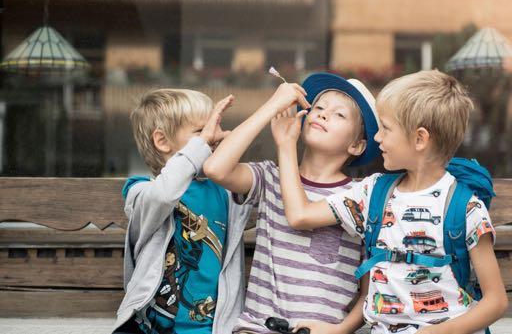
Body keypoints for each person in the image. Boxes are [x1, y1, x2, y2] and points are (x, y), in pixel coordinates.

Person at [276, 70, 508, 334]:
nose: (377, 138)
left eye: (386, 128)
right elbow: (299, 215)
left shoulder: (465, 208)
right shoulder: (373, 193)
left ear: (420, 139)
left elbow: (496, 302)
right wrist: (286, 145)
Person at [204, 72, 381, 334]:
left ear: (357, 145)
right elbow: (215, 168)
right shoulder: (269, 177)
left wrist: (341, 330)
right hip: (255, 329)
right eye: (318, 107)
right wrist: (271, 107)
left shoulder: (360, 195)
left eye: (339, 114)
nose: (322, 114)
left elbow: (370, 290)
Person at [113, 88, 254, 334]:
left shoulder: (226, 193)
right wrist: (200, 147)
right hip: (148, 326)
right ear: (162, 141)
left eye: (213, 129)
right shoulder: (140, 190)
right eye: (201, 131)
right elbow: (164, 194)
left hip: (210, 328)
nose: (212, 137)